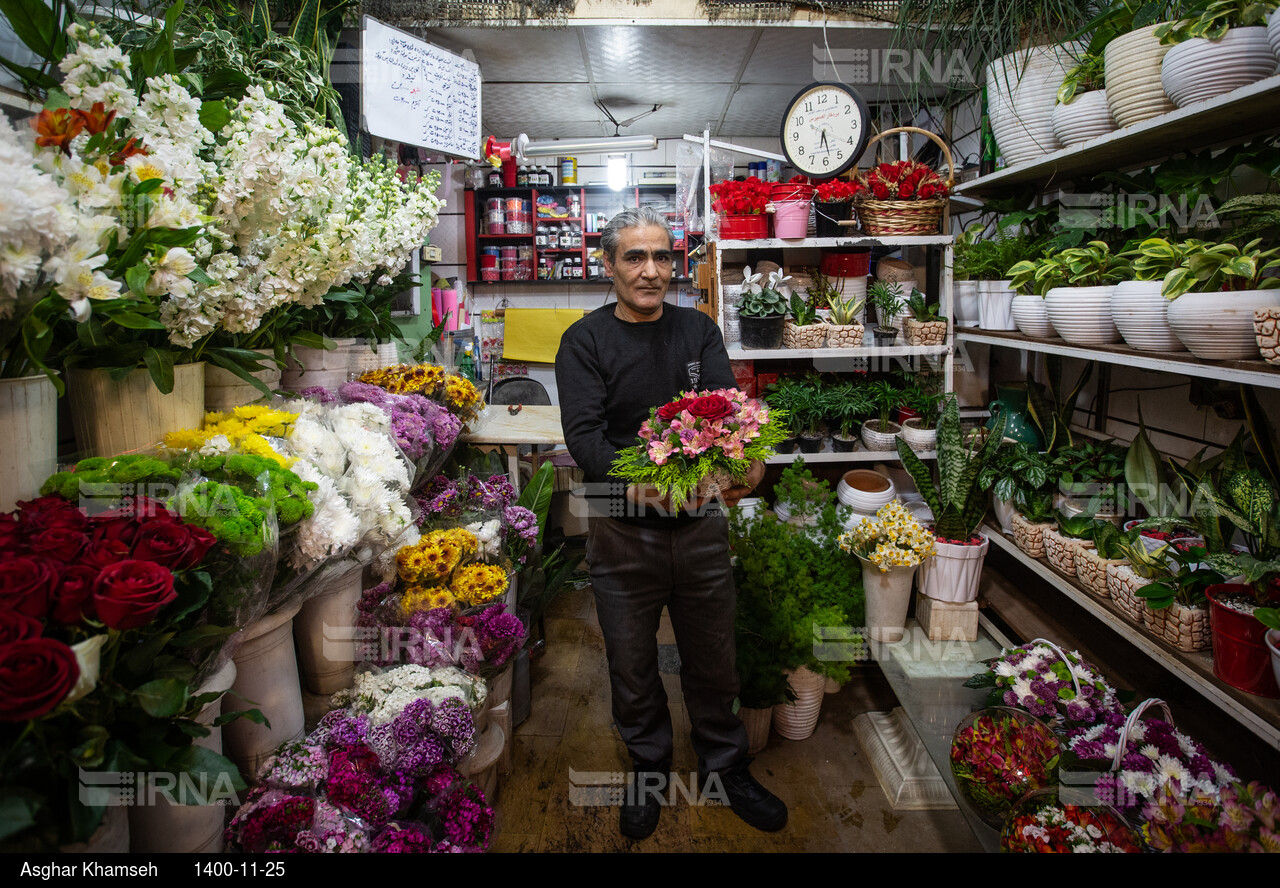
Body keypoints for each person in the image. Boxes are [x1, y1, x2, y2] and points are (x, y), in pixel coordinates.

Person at [554, 206, 787, 840]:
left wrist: (747, 458)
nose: (651, 271)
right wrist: (639, 485)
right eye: (635, 257)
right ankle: (648, 768)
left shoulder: (698, 331)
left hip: (700, 526)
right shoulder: (584, 340)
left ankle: (728, 766)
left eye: (662, 257)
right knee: (632, 664)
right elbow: (584, 437)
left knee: (714, 660)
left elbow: (727, 412)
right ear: (609, 265)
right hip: (620, 525)